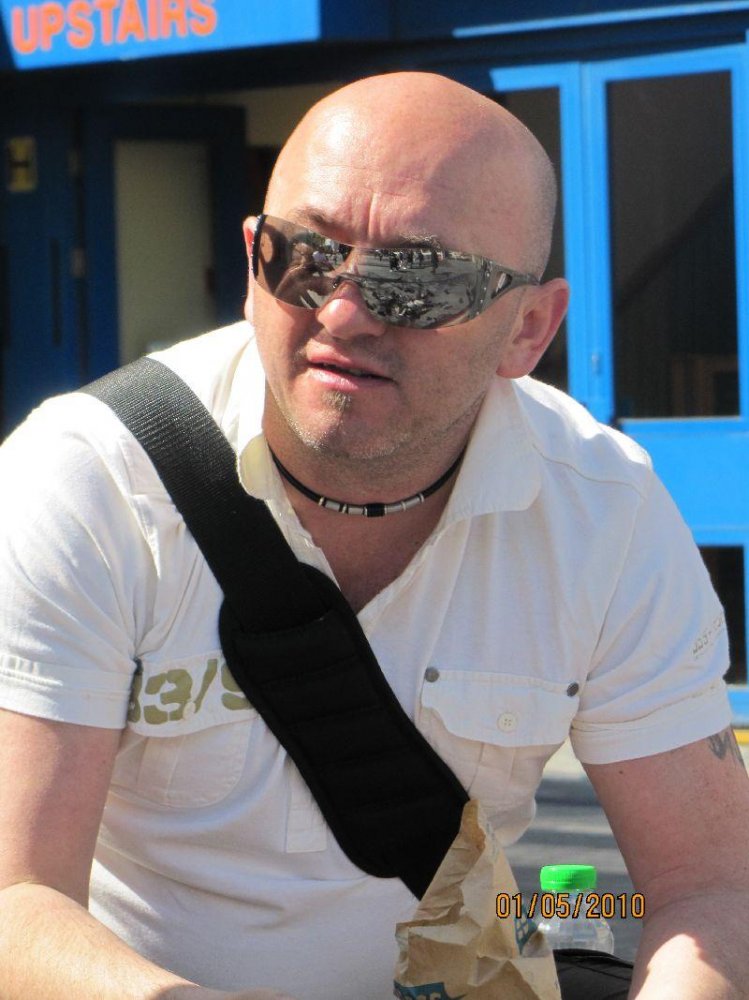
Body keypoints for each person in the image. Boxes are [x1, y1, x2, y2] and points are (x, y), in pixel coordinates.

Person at [0, 70, 747, 1000]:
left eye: (416, 278)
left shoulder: (601, 508)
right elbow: (17, 899)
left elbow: (708, 889)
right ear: (251, 261)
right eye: (303, 256)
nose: (341, 314)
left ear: (528, 329)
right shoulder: (88, 478)